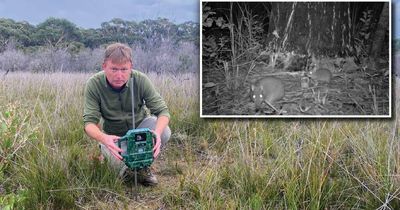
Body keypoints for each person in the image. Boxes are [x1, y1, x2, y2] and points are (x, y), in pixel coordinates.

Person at [83, 42, 171, 186]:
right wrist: (104, 138)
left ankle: (144, 166)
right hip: (115, 137)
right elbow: (89, 124)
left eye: (124, 69)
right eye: (114, 69)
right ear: (104, 66)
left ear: (131, 66)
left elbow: (163, 111)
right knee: (120, 171)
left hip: (140, 129)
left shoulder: (140, 79)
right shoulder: (94, 84)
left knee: (164, 132)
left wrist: (157, 134)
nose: (119, 75)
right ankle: (120, 164)